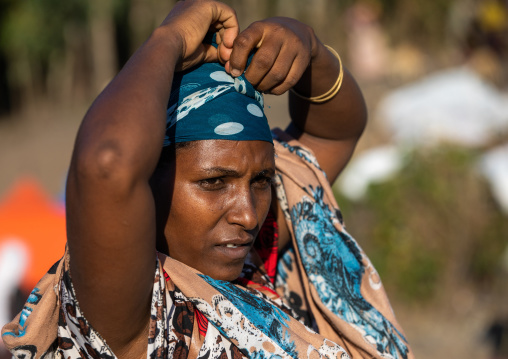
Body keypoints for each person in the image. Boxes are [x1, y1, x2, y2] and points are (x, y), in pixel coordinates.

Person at [2, 1, 413, 358]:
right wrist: (169, 38)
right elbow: (107, 164)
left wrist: (311, 49)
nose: (249, 215)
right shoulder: (133, 309)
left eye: (262, 180)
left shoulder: (258, 259)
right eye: (214, 182)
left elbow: (333, 132)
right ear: (149, 182)